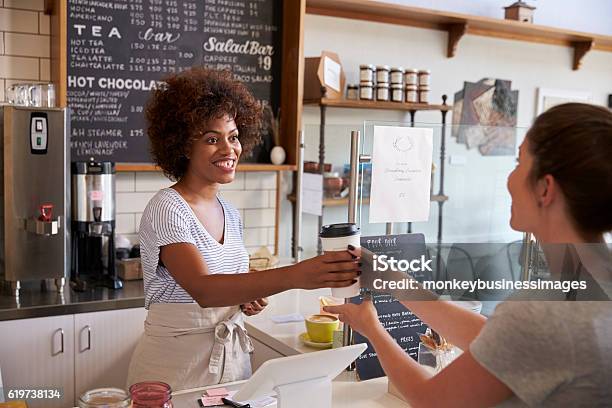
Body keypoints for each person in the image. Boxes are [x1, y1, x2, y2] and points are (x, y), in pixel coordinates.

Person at [325, 103, 612, 407]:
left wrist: (372, 329)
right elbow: (504, 341)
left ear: (545, 189)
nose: (510, 178)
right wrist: (398, 282)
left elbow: (432, 401)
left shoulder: (544, 312)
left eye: (518, 162)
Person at [127, 68, 360, 390]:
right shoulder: (167, 207)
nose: (228, 149)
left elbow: (226, 282)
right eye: (212, 139)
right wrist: (295, 276)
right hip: (174, 369)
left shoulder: (230, 213)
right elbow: (205, 290)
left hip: (231, 362)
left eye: (233, 136)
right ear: (181, 145)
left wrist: (248, 295)